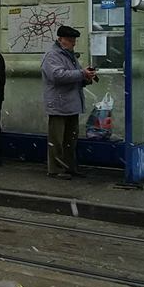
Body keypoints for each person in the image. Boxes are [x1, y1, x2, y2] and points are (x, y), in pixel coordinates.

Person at [41, 25, 97, 179]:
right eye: (70, 40)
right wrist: (81, 73)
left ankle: (70, 167)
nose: (73, 43)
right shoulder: (52, 55)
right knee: (57, 140)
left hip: (71, 103)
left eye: (74, 40)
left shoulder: (69, 56)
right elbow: (57, 76)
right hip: (58, 104)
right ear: (60, 40)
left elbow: (74, 76)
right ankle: (55, 169)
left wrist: (86, 77)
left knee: (70, 140)